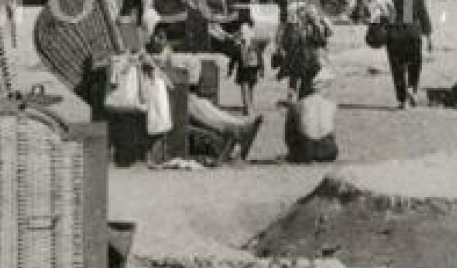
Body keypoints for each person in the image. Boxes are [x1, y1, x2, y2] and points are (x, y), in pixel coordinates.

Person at [143, 27, 260, 164]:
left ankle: (238, 125)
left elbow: (186, 63)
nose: (156, 40)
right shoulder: (150, 58)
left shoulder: (159, 57)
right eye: (155, 37)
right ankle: (237, 128)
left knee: (204, 106)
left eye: (161, 37)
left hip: (176, 97)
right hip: (171, 101)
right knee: (200, 108)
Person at [383, 0, 433, 109]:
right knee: (414, 65)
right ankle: (412, 88)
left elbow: (383, 18)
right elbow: (424, 18)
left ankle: (402, 100)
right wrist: (429, 39)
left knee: (397, 69)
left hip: (395, 36)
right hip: (413, 35)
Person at [276, 0, 331, 100]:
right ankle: (302, 99)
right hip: (307, 48)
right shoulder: (310, 9)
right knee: (308, 75)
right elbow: (323, 30)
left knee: (293, 77)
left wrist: (279, 45)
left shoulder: (289, 9)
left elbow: (282, 29)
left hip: (293, 48)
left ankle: (291, 99)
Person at [284, 83, 338, 164]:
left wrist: (291, 105)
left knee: (292, 121)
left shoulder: (299, 104)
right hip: (329, 151)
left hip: (305, 151)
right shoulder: (332, 104)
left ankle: (293, 154)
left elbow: (289, 133)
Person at [226, 11, 265, 116]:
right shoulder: (253, 39)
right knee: (251, 86)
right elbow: (259, 54)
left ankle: (247, 107)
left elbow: (234, 55)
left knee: (244, 87)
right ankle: (250, 105)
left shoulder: (239, 37)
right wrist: (261, 69)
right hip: (253, 66)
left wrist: (230, 69)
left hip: (243, 66)